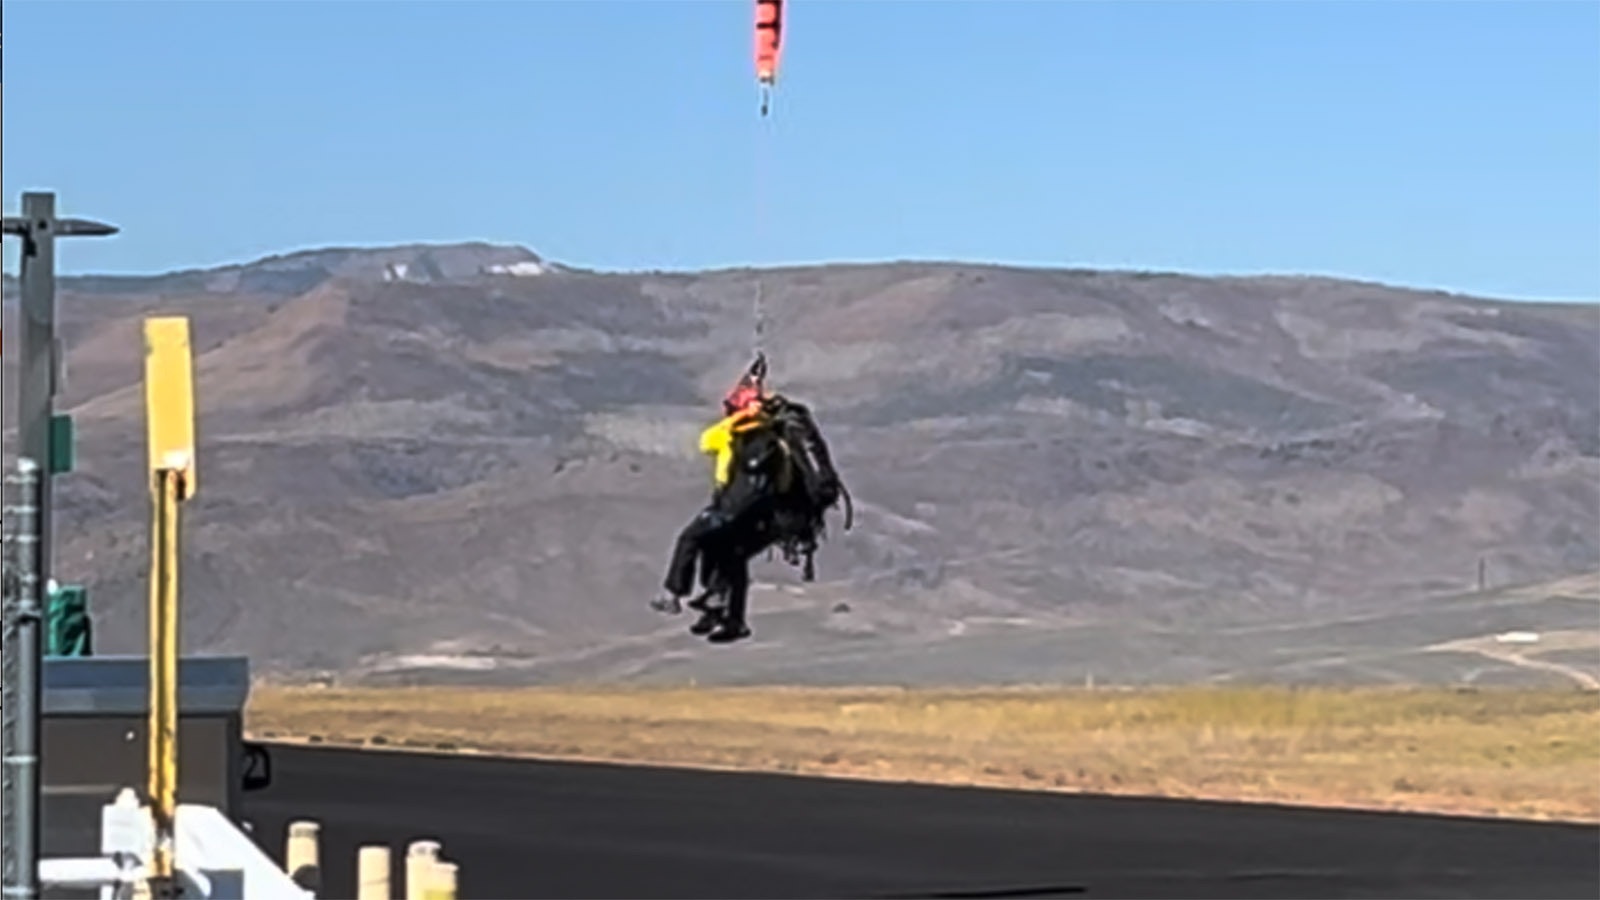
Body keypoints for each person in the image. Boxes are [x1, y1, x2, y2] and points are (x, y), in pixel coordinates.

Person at [650, 355, 849, 641]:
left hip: (744, 507)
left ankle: (683, 596)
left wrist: (744, 415)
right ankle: (727, 616)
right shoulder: (766, 435)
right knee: (731, 555)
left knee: (699, 540)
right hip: (769, 513)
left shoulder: (753, 440)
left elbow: (711, 444)